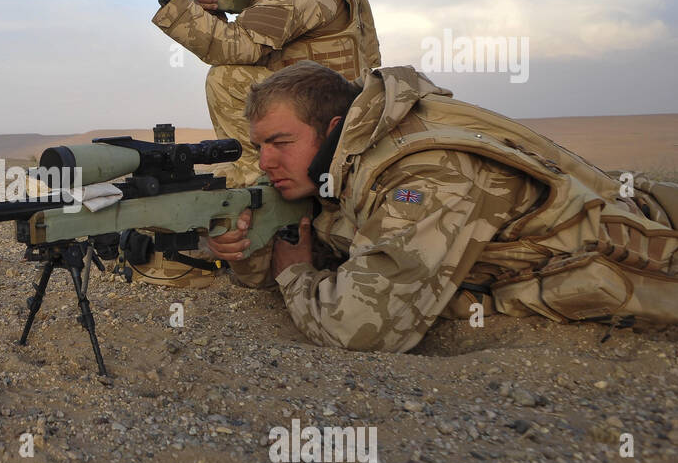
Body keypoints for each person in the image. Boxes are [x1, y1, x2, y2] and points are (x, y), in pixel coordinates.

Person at [205, 61, 678, 352]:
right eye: (260, 146)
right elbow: (341, 246)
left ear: (333, 130)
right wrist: (248, 250)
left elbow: (358, 328)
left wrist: (294, 274)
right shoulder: (354, 160)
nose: (265, 162)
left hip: (651, 259)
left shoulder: (427, 173)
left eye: (280, 143)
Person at [130, 0, 381, 188]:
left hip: (330, 115)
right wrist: (217, 21)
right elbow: (255, 51)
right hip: (323, 107)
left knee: (225, 78)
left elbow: (236, 48)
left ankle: (254, 181)